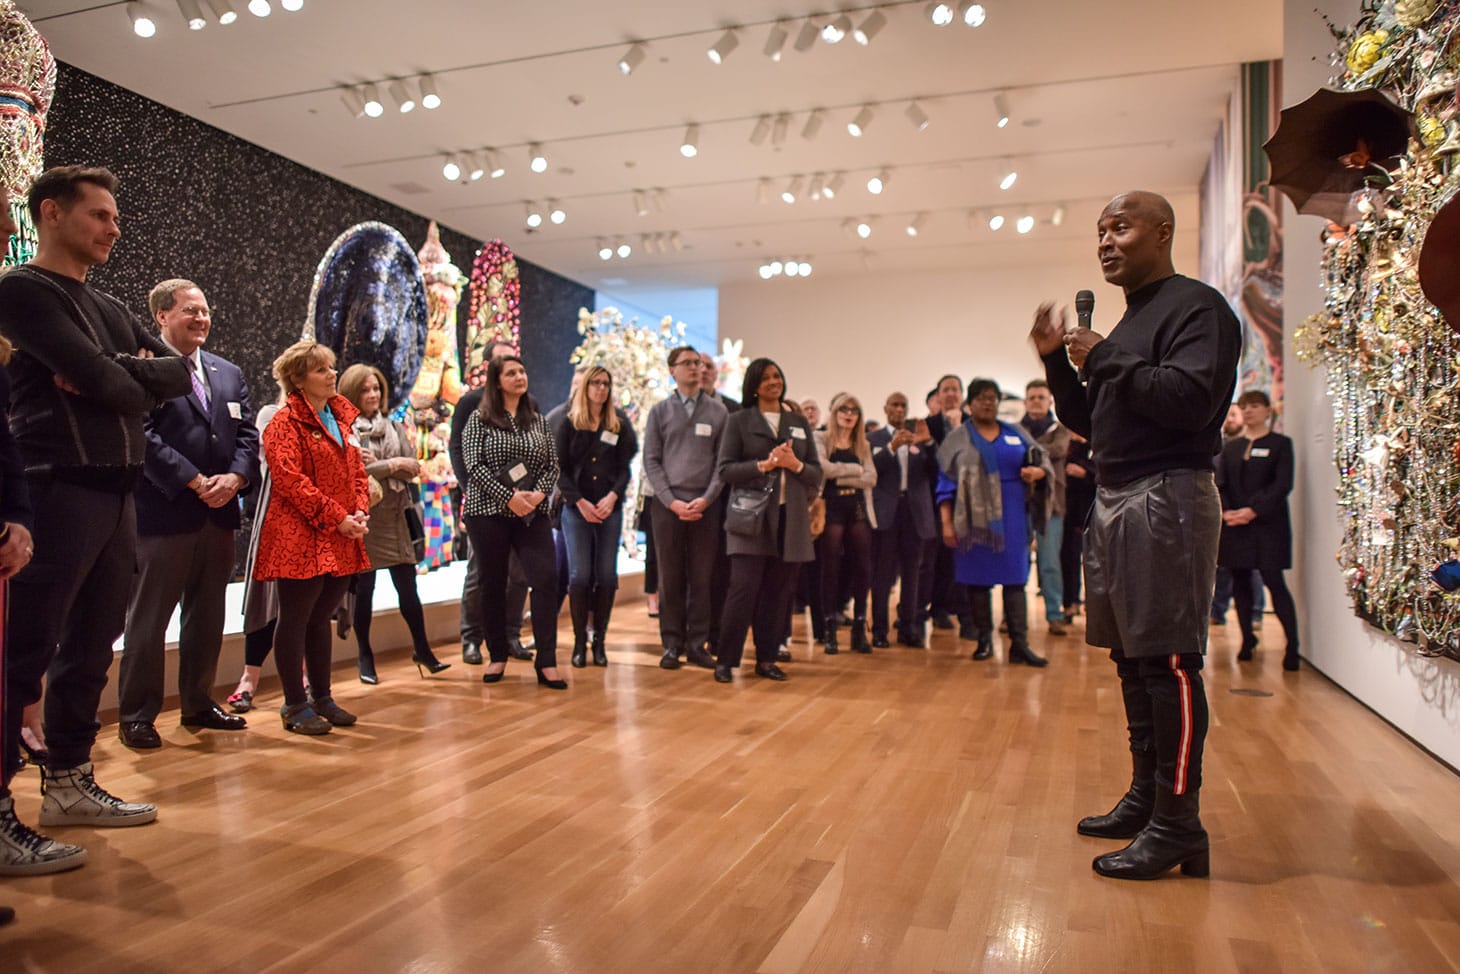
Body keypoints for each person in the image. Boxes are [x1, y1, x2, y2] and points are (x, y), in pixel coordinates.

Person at [1031, 189, 1241, 880]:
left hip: (1168, 495)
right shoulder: (1125, 326)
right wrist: (1059, 363)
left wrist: (1106, 359)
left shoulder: (1198, 307)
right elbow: (1095, 419)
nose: (1106, 242)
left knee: (1170, 662)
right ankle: (1148, 798)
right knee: (1132, 658)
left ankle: (1179, 824)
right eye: (1099, 232)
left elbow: (1188, 402)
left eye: (1120, 227)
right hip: (1119, 497)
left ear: (1163, 231)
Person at [0, 166, 190, 836]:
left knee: (91, 648)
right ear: (52, 213)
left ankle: (70, 781)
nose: (114, 227)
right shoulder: (23, 292)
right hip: (56, 487)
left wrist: (120, 372)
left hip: (117, 493)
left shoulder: (107, 308)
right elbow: (100, 382)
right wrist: (116, 375)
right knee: (22, 653)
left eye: (114, 216)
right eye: (100, 216)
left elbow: (174, 374)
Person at [117, 279, 259, 750]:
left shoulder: (227, 372)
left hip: (218, 517)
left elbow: (246, 438)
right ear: (161, 317)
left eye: (204, 310)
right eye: (189, 311)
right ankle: (138, 716)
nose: (201, 318)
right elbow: (143, 433)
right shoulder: (145, 369)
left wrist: (236, 480)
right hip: (165, 512)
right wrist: (196, 481)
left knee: (206, 616)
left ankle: (198, 703)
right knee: (149, 620)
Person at [0, 181, 88, 879]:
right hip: (59, 492)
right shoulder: (26, 294)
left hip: (25, 517)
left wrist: (16, 512)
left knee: (27, 662)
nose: (7, 241)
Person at [253, 340, 371, 735]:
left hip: (341, 532)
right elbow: (289, 481)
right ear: (298, 380)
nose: (332, 374)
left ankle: (322, 697)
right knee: (296, 618)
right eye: (321, 370)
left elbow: (357, 472)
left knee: (321, 617)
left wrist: (358, 512)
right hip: (299, 534)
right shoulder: (282, 423)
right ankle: (293, 704)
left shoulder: (342, 419)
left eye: (331, 367)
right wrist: (337, 517)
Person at [339, 363, 450, 683]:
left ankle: (423, 650)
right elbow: (356, 471)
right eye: (365, 389)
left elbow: (412, 466)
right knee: (365, 592)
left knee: (408, 589)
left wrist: (384, 465)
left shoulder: (393, 425)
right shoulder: (346, 429)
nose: (373, 394)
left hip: (395, 515)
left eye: (377, 389)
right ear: (351, 392)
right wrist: (393, 464)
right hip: (365, 520)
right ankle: (365, 656)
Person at [713, 358, 823, 683]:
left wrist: (795, 465)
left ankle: (767, 659)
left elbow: (815, 473)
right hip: (751, 519)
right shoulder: (738, 421)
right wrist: (764, 465)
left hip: (791, 521)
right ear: (754, 385)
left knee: (778, 594)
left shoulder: (798, 422)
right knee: (742, 590)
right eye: (766, 378)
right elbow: (725, 470)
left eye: (777, 376)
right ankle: (727, 661)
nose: (774, 382)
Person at [460, 355, 565, 688]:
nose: (520, 376)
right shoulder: (480, 419)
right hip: (487, 512)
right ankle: (498, 655)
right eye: (511, 373)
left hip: (531, 513)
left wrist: (537, 495)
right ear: (497, 380)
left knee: (546, 579)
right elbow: (473, 466)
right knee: (493, 584)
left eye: (522, 370)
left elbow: (552, 466)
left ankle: (546, 660)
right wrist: (508, 497)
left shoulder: (537, 420)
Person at [936, 379, 1052, 667]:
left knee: (1016, 579)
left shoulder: (1016, 432)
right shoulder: (957, 438)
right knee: (978, 581)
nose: (988, 402)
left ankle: (1019, 644)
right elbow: (945, 484)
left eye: (993, 398)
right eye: (982, 398)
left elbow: (1043, 460)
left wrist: (1037, 473)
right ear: (970, 403)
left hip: (1012, 517)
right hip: (971, 520)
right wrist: (947, 524)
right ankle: (985, 640)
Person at [642, 346, 728, 670]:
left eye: (700, 363)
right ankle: (671, 644)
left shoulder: (718, 413)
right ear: (672, 370)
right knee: (671, 577)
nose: (696, 368)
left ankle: (697, 644)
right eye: (688, 363)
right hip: (668, 507)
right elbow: (651, 459)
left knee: (702, 577)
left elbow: (722, 462)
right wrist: (672, 501)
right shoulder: (659, 412)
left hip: (706, 507)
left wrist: (706, 499)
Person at [450, 339, 534, 665]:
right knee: (480, 572)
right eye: (503, 364)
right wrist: (471, 488)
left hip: (522, 504)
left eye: (516, 365)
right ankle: (471, 637)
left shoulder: (528, 405)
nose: (512, 372)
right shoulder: (470, 402)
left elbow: (537, 452)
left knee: (519, 574)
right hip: (484, 503)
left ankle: (510, 634)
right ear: (489, 369)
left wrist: (529, 493)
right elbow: (459, 451)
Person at [556, 365, 638, 667]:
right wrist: (578, 502)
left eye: (606, 383)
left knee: (605, 576)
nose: (601, 389)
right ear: (584, 387)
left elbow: (624, 467)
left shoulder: (618, 424)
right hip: (577, 509)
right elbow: (559, 470)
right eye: (595, 383)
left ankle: (599, 642)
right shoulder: (568, 423)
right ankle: (579, 643)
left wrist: (613, 495)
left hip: (608, 507)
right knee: (579, 576)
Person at [1216, 390, 1299, 669]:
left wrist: (1253, 511)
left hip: (1267, 525)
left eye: (1254, 406)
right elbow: (1221, 483)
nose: (1249, 411)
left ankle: (1292, 645)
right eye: (1244, 406)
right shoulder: (1231, 447)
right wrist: (1228, 512)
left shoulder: (1280, 445)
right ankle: (1246, 639)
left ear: (1267, 410)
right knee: (1240, 582)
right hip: (1235, 526)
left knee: (1274, 581)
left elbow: (1282, 485)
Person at [868, 392, 937, 649]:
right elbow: (870, 470)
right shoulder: (874, 438)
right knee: (882, 575)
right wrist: (891, 448)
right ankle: (879, 630)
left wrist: (928, 443)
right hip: (887, 513)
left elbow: (936, 470)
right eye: (894, 405)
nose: (899, 409)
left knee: (913, 573)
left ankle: (908, 627)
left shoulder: (917, 436)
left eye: (903, 405)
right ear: (885, 408)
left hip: (914, 512)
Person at [814, 393, 877, 653]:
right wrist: (855, 471)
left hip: (858, 506)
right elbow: (823, 470)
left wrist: (842, 475)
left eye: (854, 410)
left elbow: (872, 478)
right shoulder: (821, 438)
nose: (849, 414)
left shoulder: (863, 444)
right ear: (835, 412)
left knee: (862, 566)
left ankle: (859, 627)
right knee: (830, 566)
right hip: (831, 507)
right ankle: (829, 628)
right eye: (844, 409)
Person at [1019, 379, 1073, 636]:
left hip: (1051, 505)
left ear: (1049, 400)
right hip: (1020, 504)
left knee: (1050, 562)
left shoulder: (1060, 429)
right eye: (1032, 397)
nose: (1037, 401)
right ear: (1025, 401)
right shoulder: (1015, 428)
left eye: (1041, 397)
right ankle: (1014, 616)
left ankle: (1054, 615)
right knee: (1019, 561)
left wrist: (1029, 453)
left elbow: (1058, 449)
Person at [1060, 431, 1095, 621]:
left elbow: (1103, 470)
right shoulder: (1064, 443)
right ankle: (1070, 603)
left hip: (1092, 510)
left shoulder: (1096, 441)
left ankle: (1093, 602)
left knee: (1093, 561)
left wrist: (1085, 473)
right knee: (1069, 557)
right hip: (1069, 511)